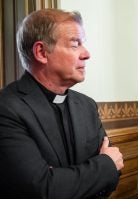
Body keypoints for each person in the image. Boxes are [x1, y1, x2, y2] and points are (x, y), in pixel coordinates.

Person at [0, 9, 124, 199]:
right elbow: (42, 189)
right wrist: (104, 165)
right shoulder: (7, 107)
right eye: (75, 44)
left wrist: (65, 180)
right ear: (41, 52)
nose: (87, 54)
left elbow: (114, 173)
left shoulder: (87, 106)